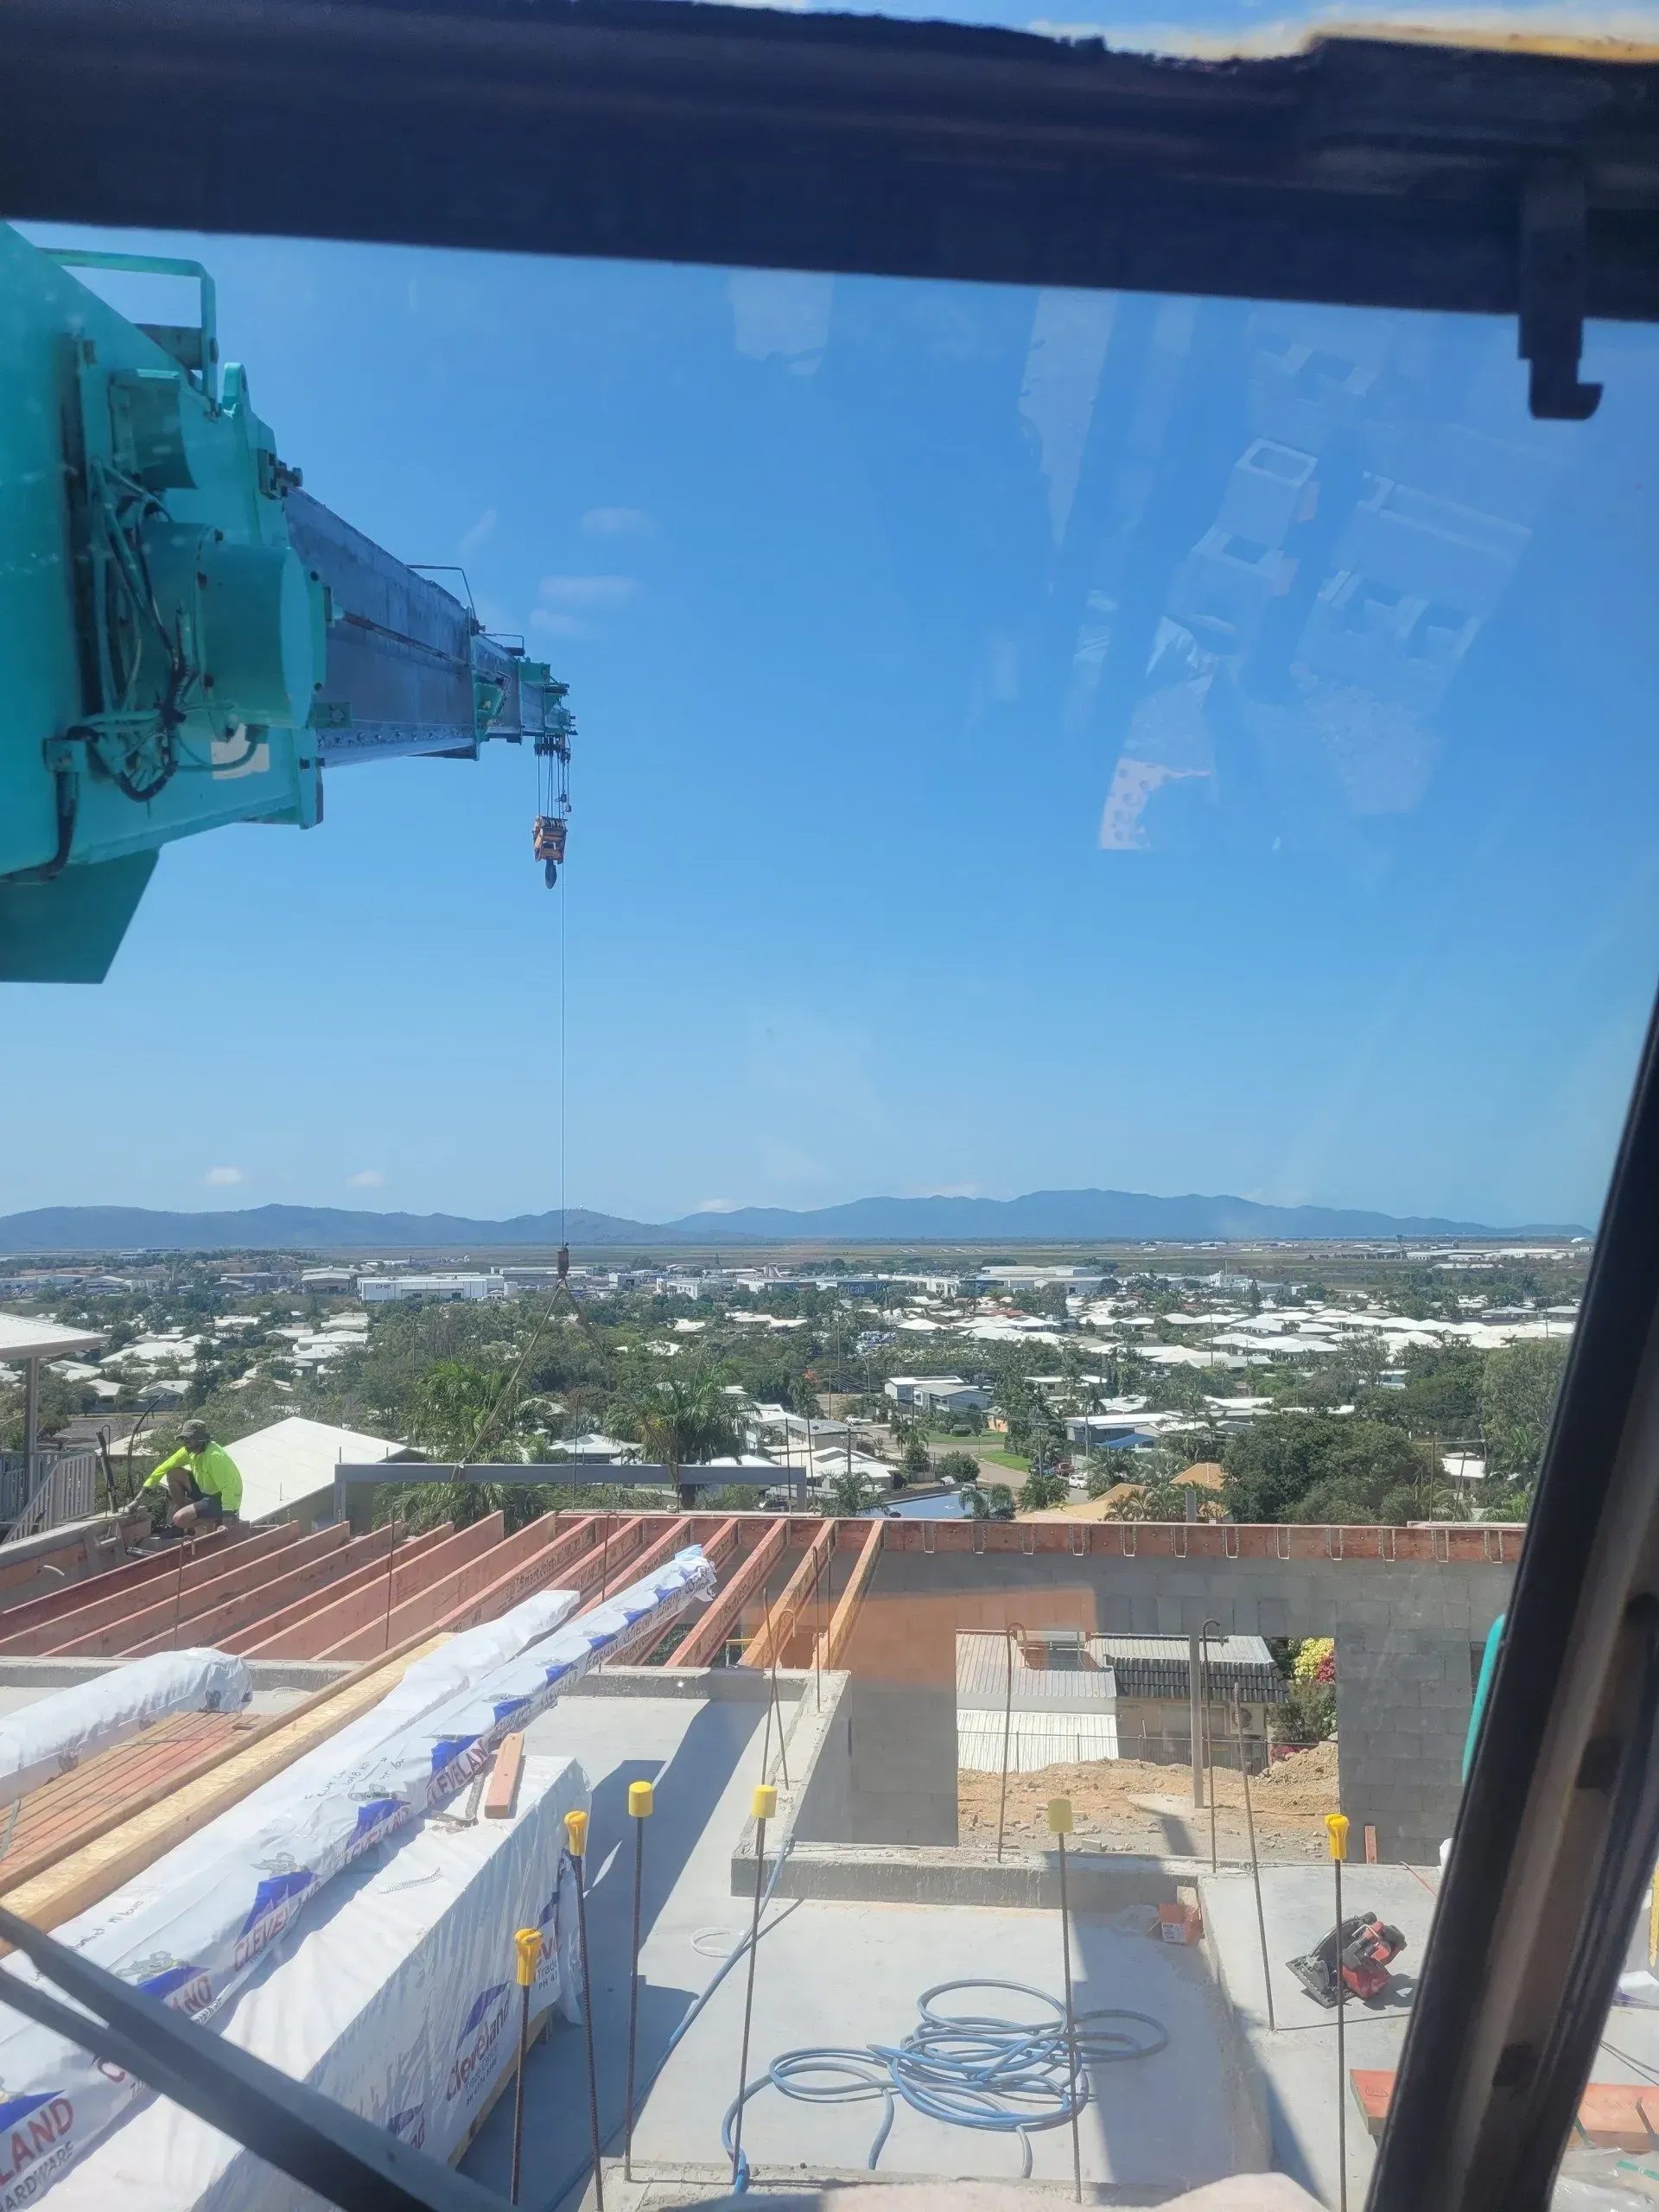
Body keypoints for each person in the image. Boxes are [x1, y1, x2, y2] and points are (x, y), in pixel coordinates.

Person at [143, 1420, 244, 1535]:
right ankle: (189, 1519)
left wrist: (227, 1519)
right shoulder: (189, 1451)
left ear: (200, 1439)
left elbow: (229, 1488)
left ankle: (213, 1518)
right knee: (173, 1473)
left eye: (189, 1438)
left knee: (178, 1519)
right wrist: (140, 1496)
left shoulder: (214, 1457)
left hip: (218, 1499)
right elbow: (163, 1467)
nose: (185, 1442)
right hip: (205, 1491)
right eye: (184, 1439)